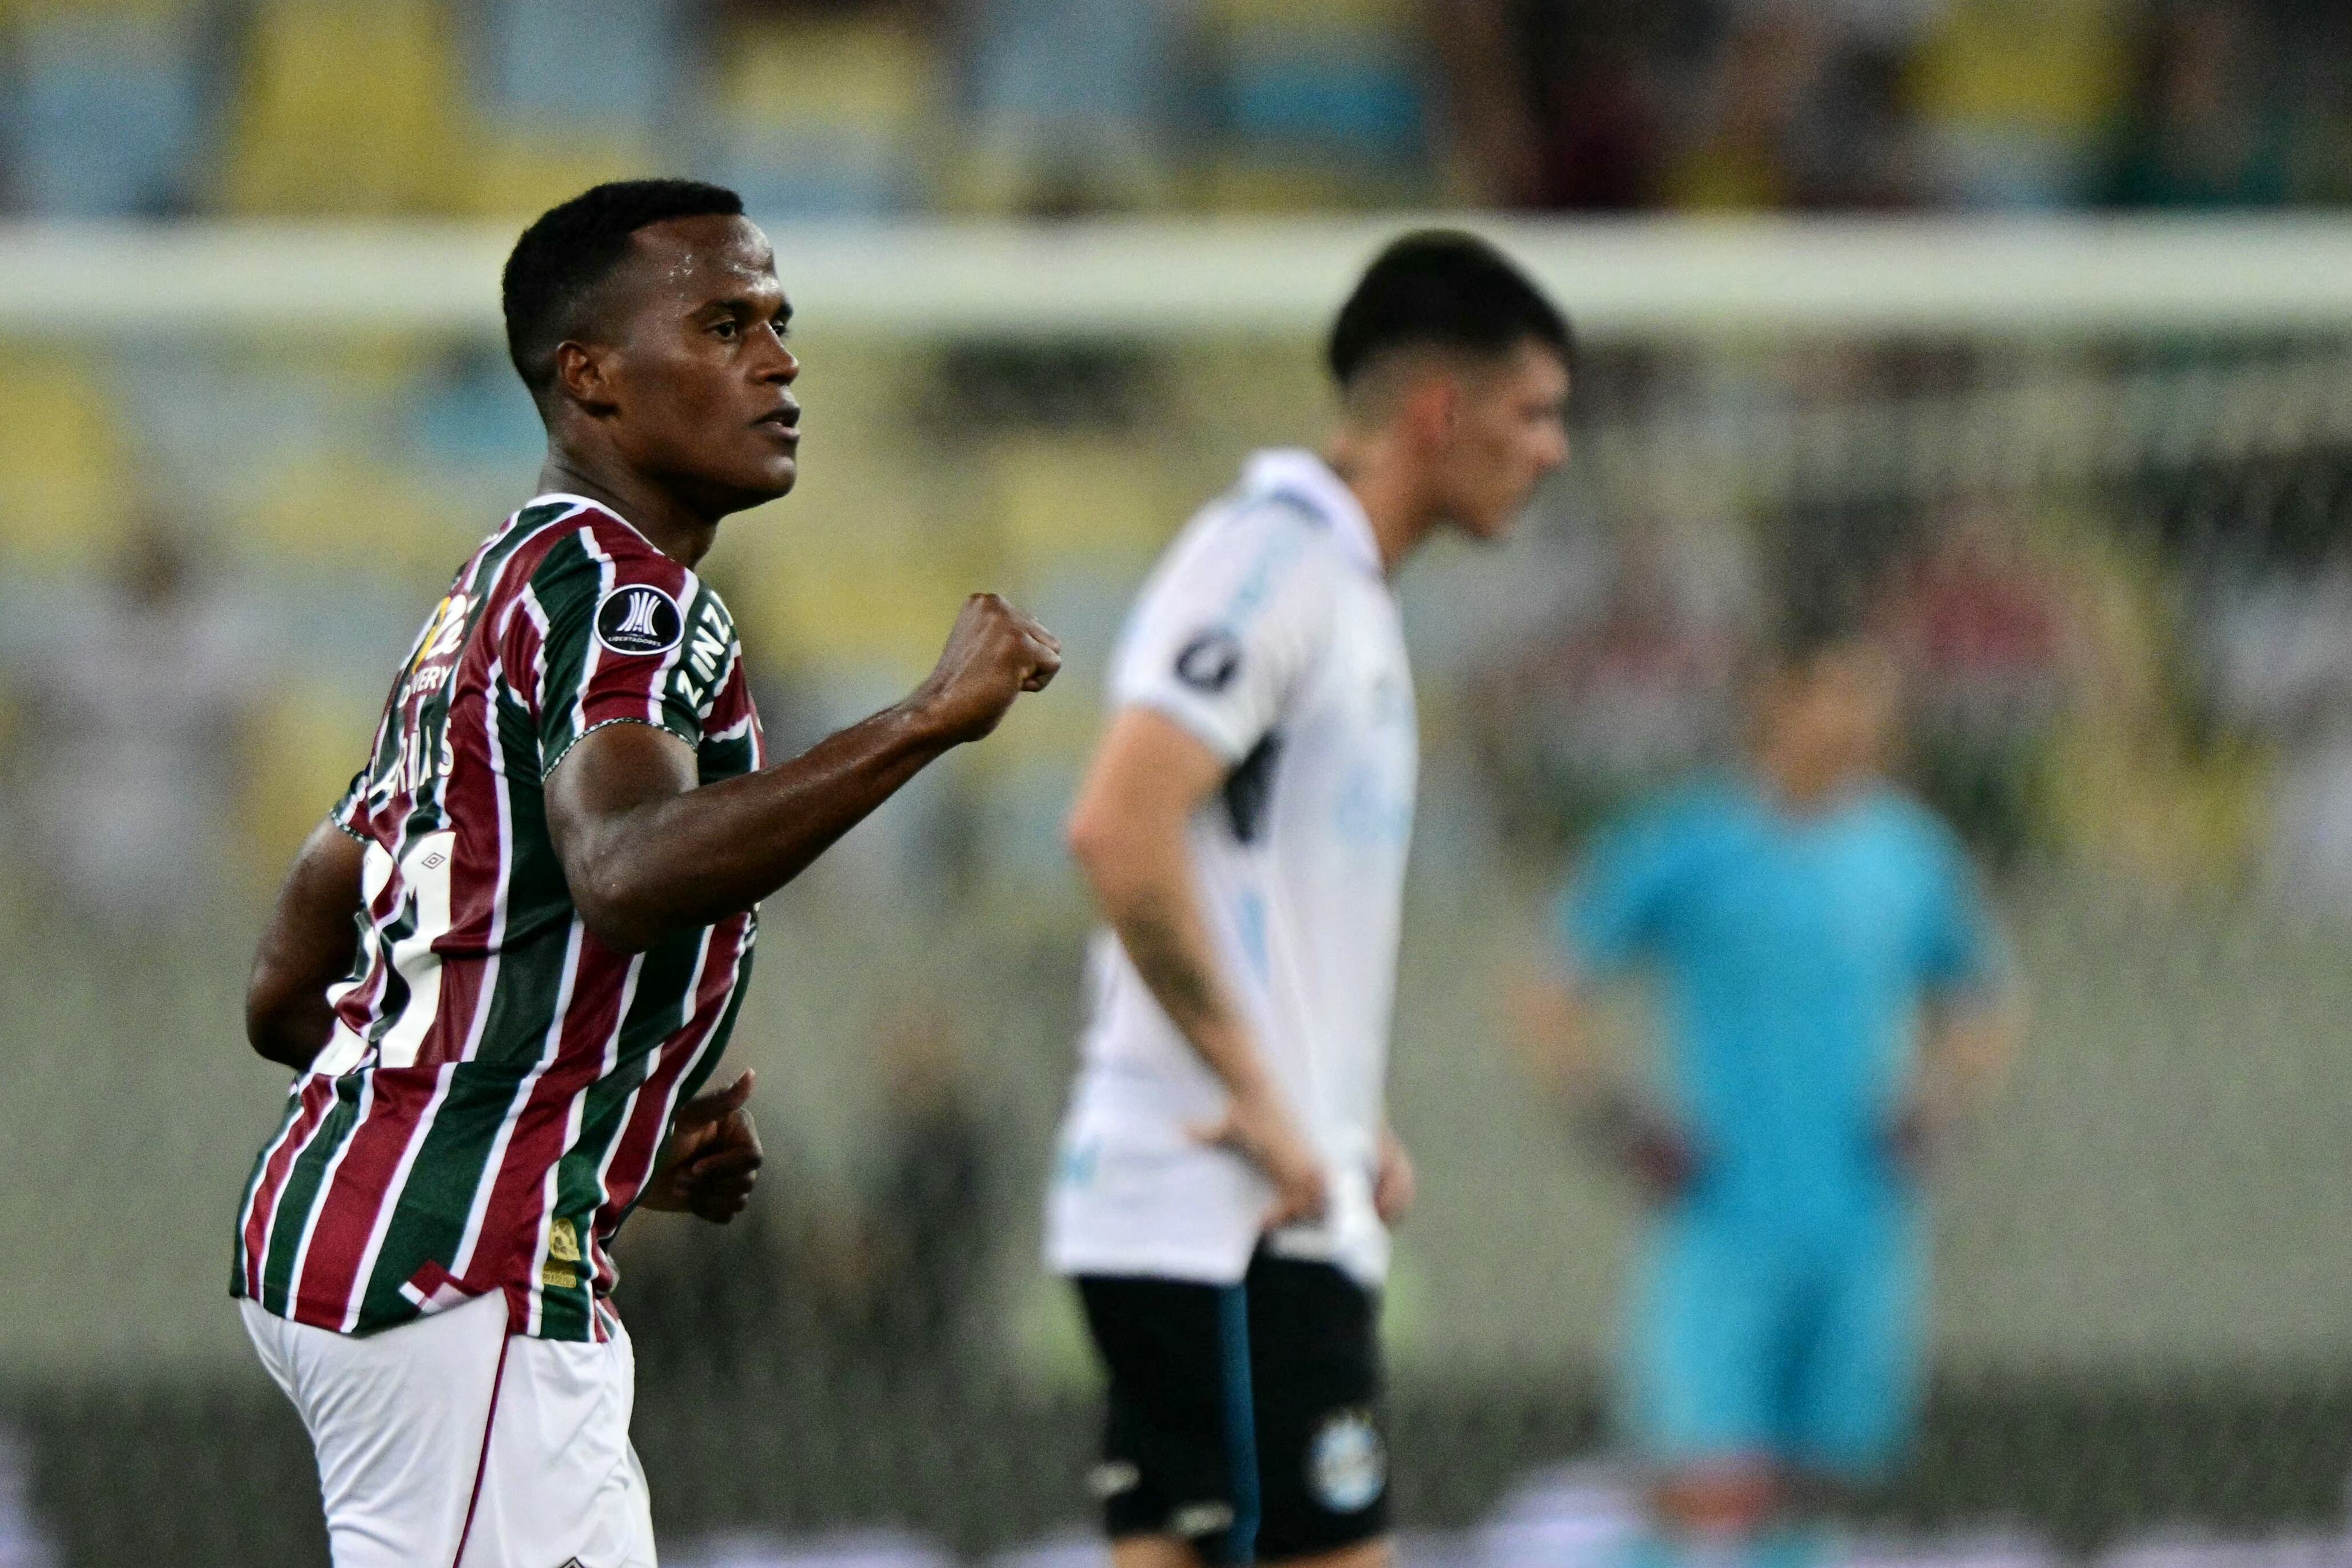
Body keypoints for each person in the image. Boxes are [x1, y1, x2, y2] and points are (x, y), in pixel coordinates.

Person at [229, 179, 1060, 1568]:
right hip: (465, 1275)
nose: (779, 359)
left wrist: (570, 1123)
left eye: (779, 322)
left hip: (364, 1230)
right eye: (725, 322)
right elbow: (618, 867)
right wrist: (923, 718)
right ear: (592, 377)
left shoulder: (485, 594)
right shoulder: (627, 598)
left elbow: (288, 979)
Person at [1049, 231, 1573, 1568]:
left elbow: (1248, 883)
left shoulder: (1342, 592)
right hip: (1224, 1203)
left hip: (1250, 1190)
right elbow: (1119, 824)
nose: (1553, 450)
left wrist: (1344, 1109)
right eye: (1533, 412)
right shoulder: (1270, 561)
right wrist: (1274, 1102)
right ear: (1437, 412)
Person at [1514, 622, 2026, 1568]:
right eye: (1833, 692)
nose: (1857, 720)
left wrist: (1939, 1107)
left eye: (1869, 697)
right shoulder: (1691, 843)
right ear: (1776, 700)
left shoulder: (1906, 853)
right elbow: (1552, 984)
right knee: (1704, 1476)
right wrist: (1614, 1119)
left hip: (1859, 1212)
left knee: (1823, 1478)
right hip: (1724, 1209)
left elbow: (1982, 999)